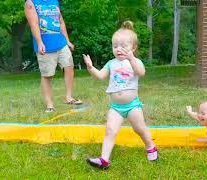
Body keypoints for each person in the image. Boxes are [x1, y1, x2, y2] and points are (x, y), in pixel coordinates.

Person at [83, 21, 158, 169]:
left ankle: (150, 146)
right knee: (110, 130)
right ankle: (104, 159)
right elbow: (100, 76)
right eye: (115, 46)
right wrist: (91, 67)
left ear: (133, 47)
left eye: (123, 46)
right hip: (116, 107)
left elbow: (141, 72)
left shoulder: (135, 62)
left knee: (139, 129)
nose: (119, 49)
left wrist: (131, 59)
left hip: (132, 106)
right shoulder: (111, 63)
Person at [24, 0, 82, 113]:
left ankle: (68, 97)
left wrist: (67, 41)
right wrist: (40, 42)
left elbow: (60, 22)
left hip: (61, 43)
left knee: (69, 66)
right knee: (47, 75)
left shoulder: (54, 1)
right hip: (46, 46)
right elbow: (34, 24)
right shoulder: (30, 3)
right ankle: (50, 105)